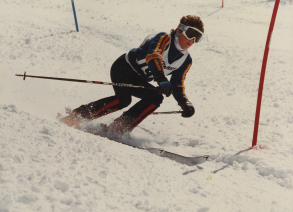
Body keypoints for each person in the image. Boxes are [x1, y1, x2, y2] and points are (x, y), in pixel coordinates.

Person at [62, 15, 204, 136]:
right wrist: (161, 79)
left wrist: (184, 102)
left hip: (139, 79)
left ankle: (119, 127)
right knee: (122, 100)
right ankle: (77, 116)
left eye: (197, 37)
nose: (192, 40)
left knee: (155, 97)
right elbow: (153, 56)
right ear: (179, 30)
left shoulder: (186, 60)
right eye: (191, 33)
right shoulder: (164, 38)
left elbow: (177, 83)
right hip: (124, 67)